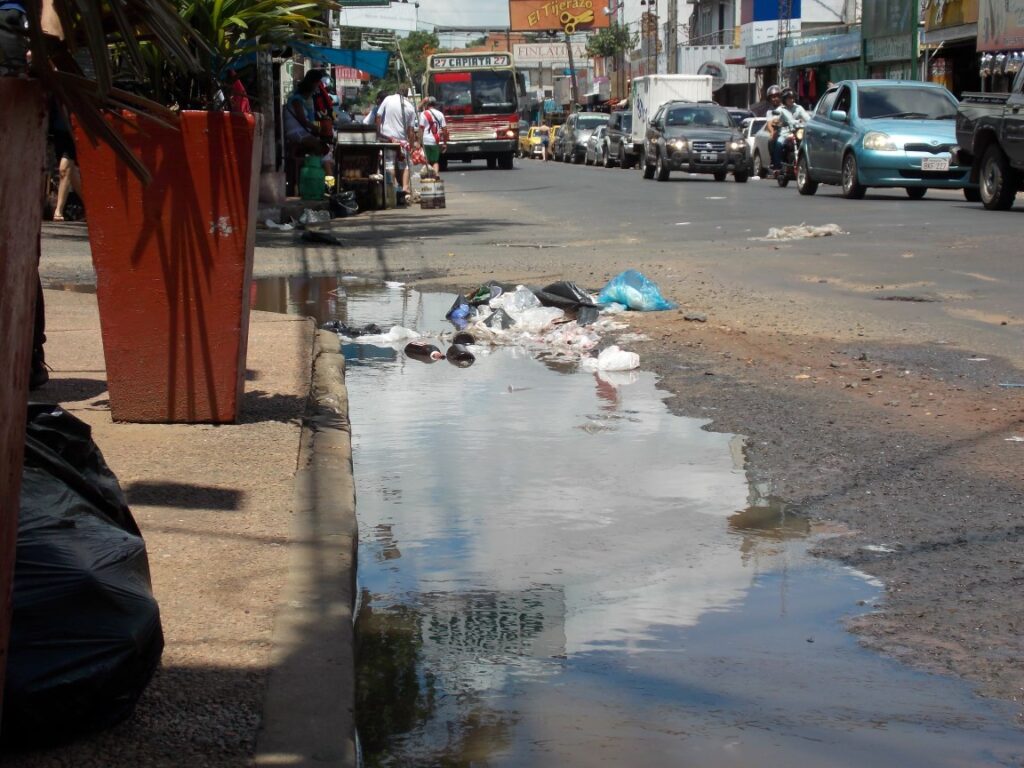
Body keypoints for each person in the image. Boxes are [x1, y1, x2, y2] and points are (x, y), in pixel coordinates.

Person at [283, 69, 334, 175]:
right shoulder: (296, 100)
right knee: (322, 149)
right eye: (317, 85)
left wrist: (319, 127)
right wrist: (317, 128)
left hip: (301, 132)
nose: (317, 88)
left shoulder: (303, 101)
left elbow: (309, 121)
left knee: (323, 151)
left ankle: (322, 179)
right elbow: (303, 121)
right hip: (296, 133)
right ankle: (328, 183)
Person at [376, 90, 418, 197]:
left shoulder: (388, 99)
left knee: (389, 164)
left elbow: (378, 115)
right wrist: (412, 145)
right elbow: (411, 131)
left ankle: (393, 188)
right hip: (402, 141)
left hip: (387, 138)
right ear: (406, 95)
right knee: (405, 165)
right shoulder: (410, 106)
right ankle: (405, 188)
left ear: (396, 91)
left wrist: (377, 131)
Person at [50, 99, 83, 222]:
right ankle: (90, 203)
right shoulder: (53, 92)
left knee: (64, 169)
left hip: (73, 131)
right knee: (71, 173)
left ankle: (58, 210)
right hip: (59, 133)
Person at [769, 87, 810, 171]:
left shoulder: (799, 108)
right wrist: (776, 123)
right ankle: (777, 166)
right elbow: (775, 119)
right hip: (785, 134)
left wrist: (809, 123)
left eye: (792, 98)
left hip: (798, 133)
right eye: (789, 98)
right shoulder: (780, 110)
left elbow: (808, 119)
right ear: (784, 99)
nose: (791, 100)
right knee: (779, 144)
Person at [418, 96, 447, 175]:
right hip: (435, 141)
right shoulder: (440, 114)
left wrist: (419, 141)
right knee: (435, 161)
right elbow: (445, 130)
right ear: (435, 104)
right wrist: (444, 143)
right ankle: (436, 175)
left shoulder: (424, 114)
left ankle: (429, 178)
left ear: (427, 104)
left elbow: (421, 129)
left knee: (426, 162)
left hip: (425, 141)